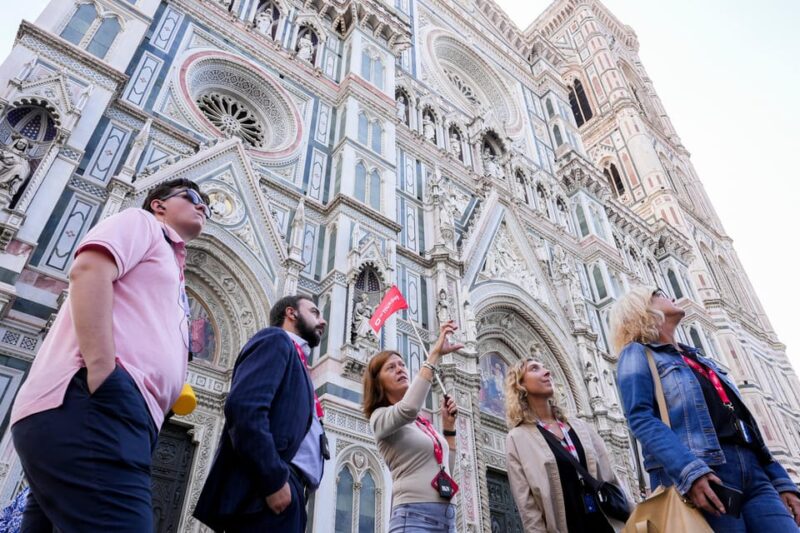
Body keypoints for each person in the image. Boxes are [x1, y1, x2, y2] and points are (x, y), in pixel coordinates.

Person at [10, 178, 209, 531]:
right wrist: (103, 372)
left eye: (205, 204)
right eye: (193, 198)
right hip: (93, 402)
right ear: (158, 205)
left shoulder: (172, 263)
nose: (203, 206)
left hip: (118, 414)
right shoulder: (142, 223)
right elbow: (89, 270)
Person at [611, 286, 800, 531]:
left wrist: (782, 481)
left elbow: (743, 422)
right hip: (705, 472)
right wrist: (689, 472)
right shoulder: (637, 354)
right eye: (658, 293)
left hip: (754, 473)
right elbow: (640, 418)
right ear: (643, 309)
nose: (669, 293)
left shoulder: (701, 359)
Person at [194, 295, 328, 532]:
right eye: (315, 312)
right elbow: (245, 408)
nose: (323, 320)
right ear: (291, 313)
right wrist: (273, 480)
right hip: (269, 490)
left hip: (291, 492)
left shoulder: (298, 360)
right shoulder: (276, 339)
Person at [504, 358, 628, 532]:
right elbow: (527, 507)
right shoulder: (518, 438)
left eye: (545, 367)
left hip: (606, 525)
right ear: (520, 385)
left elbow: (611, 479)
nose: (547, 372)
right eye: (534, 369)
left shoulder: (581, 427)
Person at [363, 321, 462, 532]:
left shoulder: (423, 424)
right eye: (391, 367)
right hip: (414, 519)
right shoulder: (380, 418)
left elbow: (446, 469)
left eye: (402, 364)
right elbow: (407, 408)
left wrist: (448, 429)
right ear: (378, 383)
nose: (400, 369)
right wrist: (434, 354)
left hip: (448, 523)